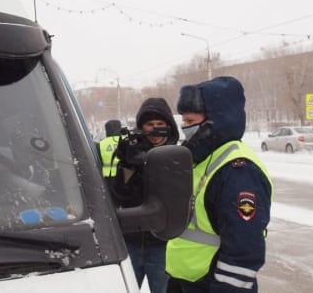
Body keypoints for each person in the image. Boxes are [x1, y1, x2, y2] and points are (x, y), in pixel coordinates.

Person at [166, 76, 273, 293]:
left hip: (214, 285)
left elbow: (244, 250)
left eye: (189, 121)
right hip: (187, 280)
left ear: (215, 121)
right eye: (183, 122)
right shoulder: (202, 159)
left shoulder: (238, 170)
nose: (185, 129)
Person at [111, 97, 179, 293]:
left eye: (160, 124)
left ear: (169, 126)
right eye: (150, 124)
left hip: (164, 245)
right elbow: (120, 194)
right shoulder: (132, 152)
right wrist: (128, 164)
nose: (155, 130)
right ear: (141, 127)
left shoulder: (179, 154)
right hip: (131, 242)